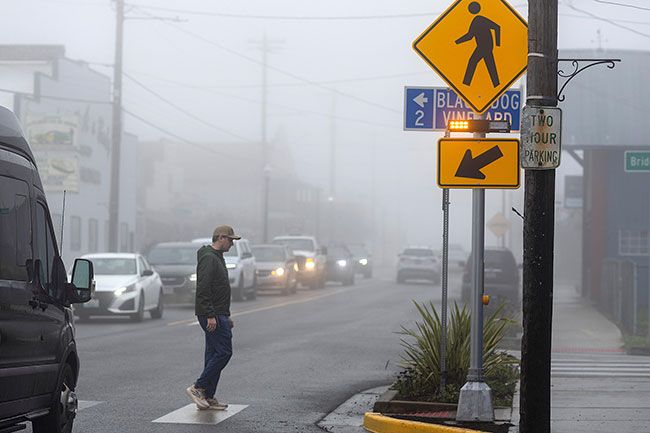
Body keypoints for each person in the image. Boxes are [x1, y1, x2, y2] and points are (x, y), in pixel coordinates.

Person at [185, 225, 241, 410]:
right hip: (212, 313)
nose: (232, 244)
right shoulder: (210, 258)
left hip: (219, 312)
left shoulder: (217, 257)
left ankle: (208, 396)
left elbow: (218, 290)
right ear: (221, 238)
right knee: (224, 352)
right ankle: (198, 387)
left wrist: (226, 314)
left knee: (212, 354)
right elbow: (203, 288)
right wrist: (211, 315)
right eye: (231, 240)